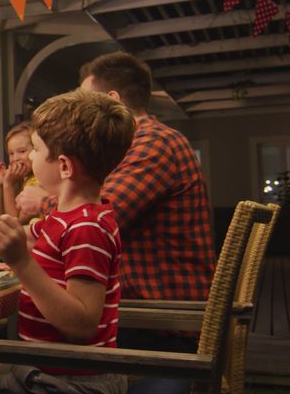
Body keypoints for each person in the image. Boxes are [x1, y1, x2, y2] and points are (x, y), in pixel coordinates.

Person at [0, 89, 136, 394]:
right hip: (43, 368)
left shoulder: (87, 228)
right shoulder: (63, 217)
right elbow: (1, 231)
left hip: (74, 385)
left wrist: (21, 263)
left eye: (36, 150)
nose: (28, 157)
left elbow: (82, 324)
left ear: (65, 167)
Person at [18, 52, 215, 353]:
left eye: (83, 100)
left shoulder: (153, 141)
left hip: (164, 319)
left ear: (111, 100)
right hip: (140, 308)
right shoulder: (145, 141)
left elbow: (105, 210)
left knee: (31, 326)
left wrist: (43, 200)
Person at [0, 121, 42, 224]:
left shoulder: (39, 181)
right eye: (11, 153)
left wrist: (8, 185)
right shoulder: (24, 178)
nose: (15, 158)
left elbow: (14, 223)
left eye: (22, 151)